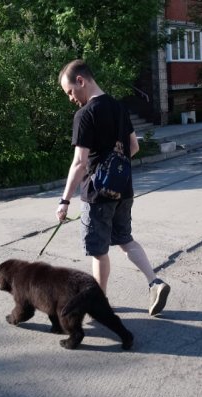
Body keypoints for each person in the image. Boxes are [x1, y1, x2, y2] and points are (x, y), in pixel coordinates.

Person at [55, 59, 170, 316]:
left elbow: (79, 163)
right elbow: (134, 147)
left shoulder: (85, 115)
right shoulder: (119, 108)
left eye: (70, 92)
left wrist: (64, 200)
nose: (71, 98)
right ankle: (155, 282)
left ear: (81, 81)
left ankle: (100, 302)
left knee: (98, 251)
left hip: (98, 195)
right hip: (124, 190)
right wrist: (116, 172)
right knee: (125, 239)